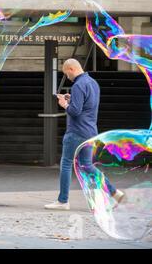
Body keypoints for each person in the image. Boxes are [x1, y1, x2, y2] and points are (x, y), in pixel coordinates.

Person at [44, 58, 124, 210]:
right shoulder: (92, 83)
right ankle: (114, 192)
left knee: (66, 163)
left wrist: (65, 104)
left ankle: (63, 201)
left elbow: (75, 111)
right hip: (90, 131)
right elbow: (87, 105)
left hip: (76, 131)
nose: (67, 76)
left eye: (66, 73)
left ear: (71, 69)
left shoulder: (78, 85)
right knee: (87, 165)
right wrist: (71, 99)